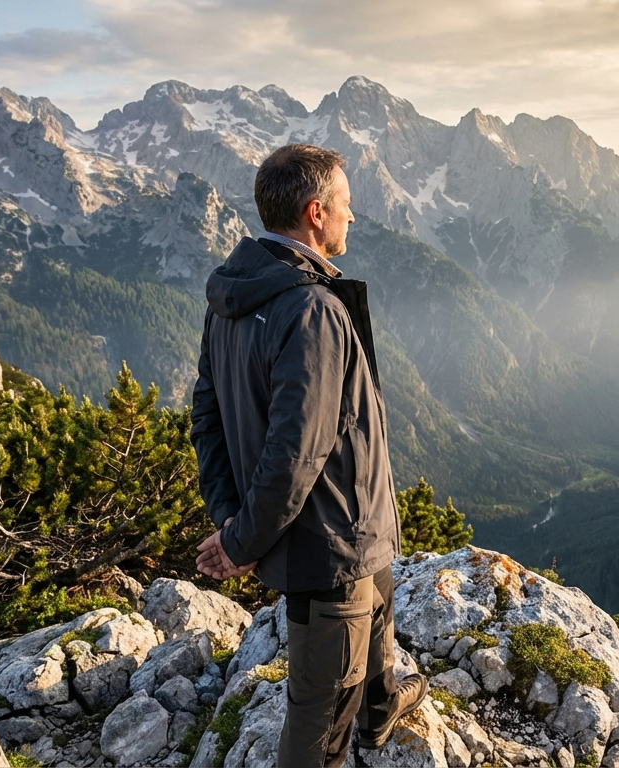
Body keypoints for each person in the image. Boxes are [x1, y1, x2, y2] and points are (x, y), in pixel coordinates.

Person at [189, 143, 427, 766]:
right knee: (320, 713)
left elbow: (207, 421)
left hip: (354, 528)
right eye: (347, 206)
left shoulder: (233, 299)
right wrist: (240, 540)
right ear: (315, 212)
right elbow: (295, 455)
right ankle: (350, 728)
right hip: (328, 542)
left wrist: (229, 519)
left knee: (378, 622)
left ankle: (383, 709)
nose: (355, 217)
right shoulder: (311, 309)